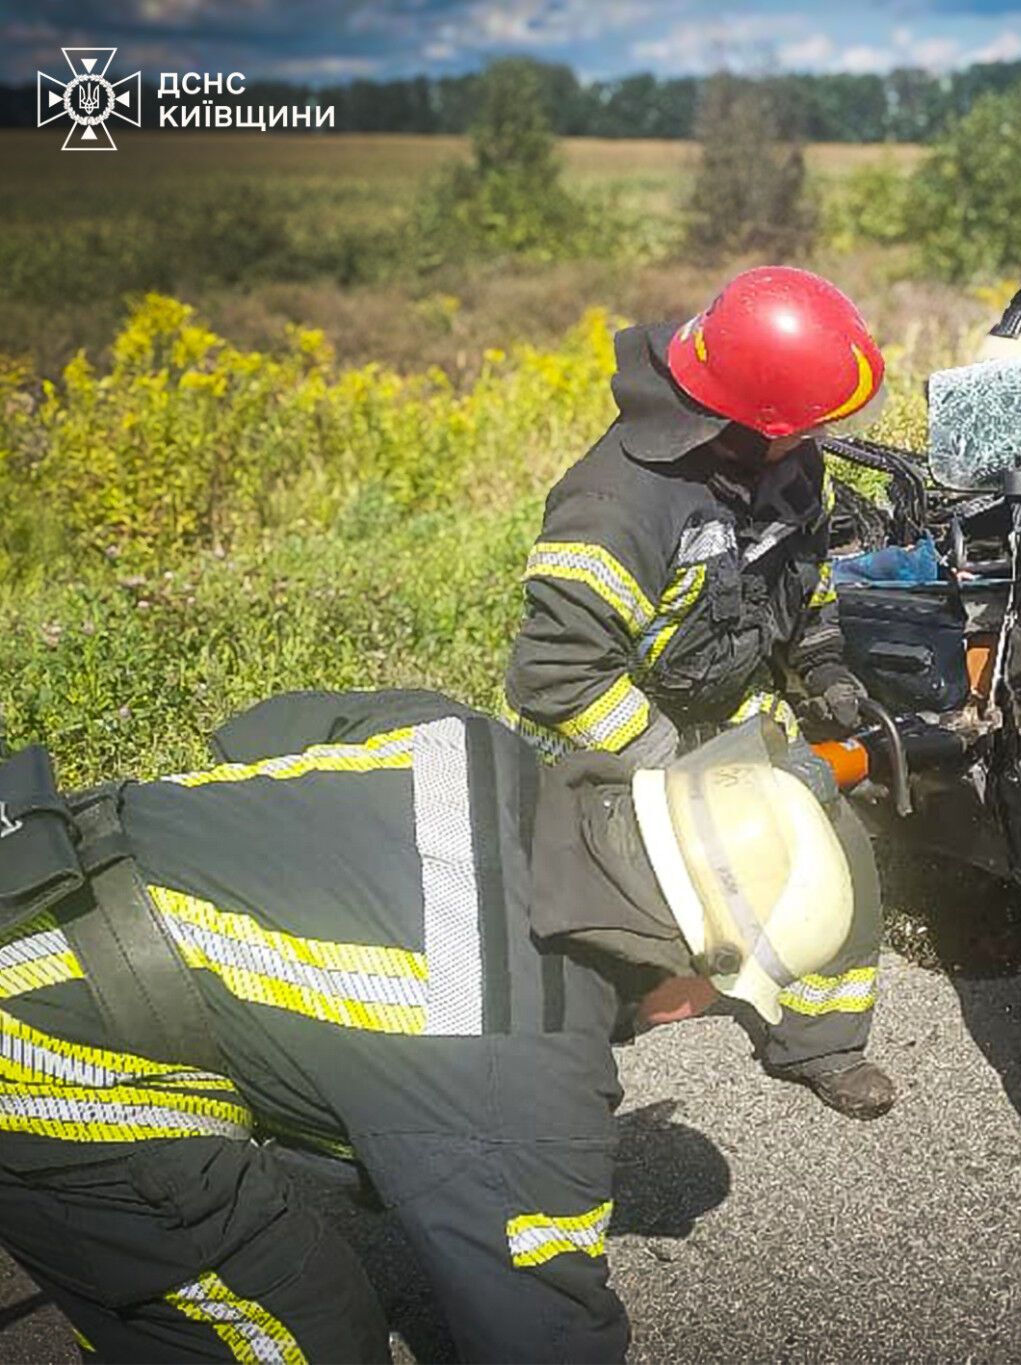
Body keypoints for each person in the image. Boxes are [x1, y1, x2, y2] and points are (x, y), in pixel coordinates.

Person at [0, 689, 871, 1362]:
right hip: (45, 1048)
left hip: (35, 852)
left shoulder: (469, 740)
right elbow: (540, 1335)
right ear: (697, 979)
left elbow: (256, 732)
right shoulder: (522, 1069)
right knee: (310, 1333)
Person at [503, 266, 896, 1120]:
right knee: (589, 921)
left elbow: (806, 585)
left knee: (836, 843)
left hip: (727, 709)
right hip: (611, 737)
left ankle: (820, 1042)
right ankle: (558, 1077)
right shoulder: (616, 504)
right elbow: (554, 672)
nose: (823, 434)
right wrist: (681, 774)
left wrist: (823, 667)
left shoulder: (792, 469)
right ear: (751, 420)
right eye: (812, 421)